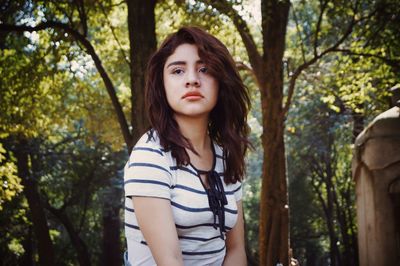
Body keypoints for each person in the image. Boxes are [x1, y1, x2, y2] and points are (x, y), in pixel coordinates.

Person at [124, 26, 250, 266]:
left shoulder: (225, 156)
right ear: (162, 85)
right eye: (178, 71)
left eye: (204, 69)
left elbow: (236, 250)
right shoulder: (150, 156)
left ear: (221, 82)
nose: (192, 79)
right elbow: (170, 261)